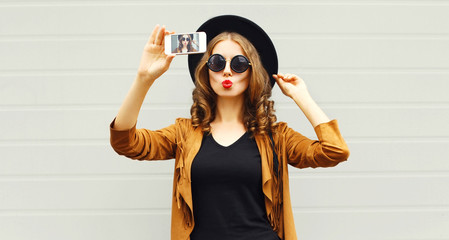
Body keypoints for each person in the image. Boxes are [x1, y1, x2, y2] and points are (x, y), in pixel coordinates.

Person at [110, 15, 349, 240]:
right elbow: (126, 143)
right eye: (216, 62)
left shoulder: (277, 137)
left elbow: (334, 150)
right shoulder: (183, 134)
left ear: (252, 70)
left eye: (239, 63)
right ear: (206, 71)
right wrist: (144, 79)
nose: (227, 70)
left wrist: (302, 97)